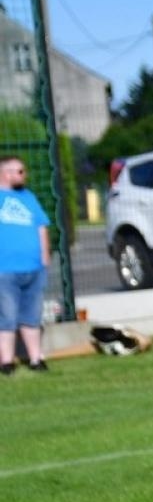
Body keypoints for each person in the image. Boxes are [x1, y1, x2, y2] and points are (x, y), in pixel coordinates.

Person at [0, 155, 51, 373]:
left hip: (33, 268)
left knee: (32, 316)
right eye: (20, 171)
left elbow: (41, 226)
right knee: (7, 316)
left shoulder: (28, 197)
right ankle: (7, 362)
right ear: (6, 173)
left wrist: (45, 256)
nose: (24, 175)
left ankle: (35, 359)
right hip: (5, 268)